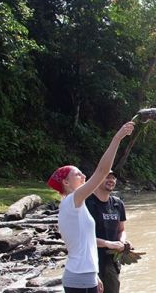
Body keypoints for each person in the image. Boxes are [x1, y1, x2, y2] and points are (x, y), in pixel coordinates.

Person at [47, 121, 135, 293]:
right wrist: (118, 138)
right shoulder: (73, 199)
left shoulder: (77, 205)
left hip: (85, 276)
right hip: (80, 279)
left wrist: (95, 275)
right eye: (78, 174)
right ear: (66, 182)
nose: (84, 175)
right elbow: (102, 172)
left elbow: (84, 244)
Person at [85, 170, 129, 293]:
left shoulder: (118, 204)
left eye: (113, 178)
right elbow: (82, 237)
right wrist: (108, 243)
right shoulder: (87, 203)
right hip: (89, 260)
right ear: (96, 179)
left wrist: (122, 241)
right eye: (107, 177)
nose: (111, 180)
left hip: (112, 260)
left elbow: (121, 230)